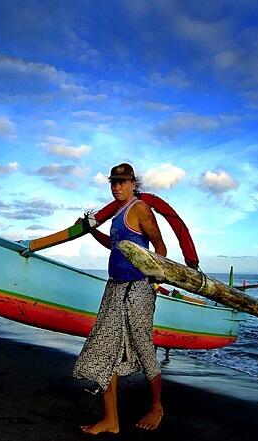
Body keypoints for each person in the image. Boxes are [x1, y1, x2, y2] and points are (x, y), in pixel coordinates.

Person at [73, 163, 167, 434]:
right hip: (114, 288)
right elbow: (114, 246)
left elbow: (159, 245)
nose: (117, 186)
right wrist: (91, 230)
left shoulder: (139, 209)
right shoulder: (118, 214)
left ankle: (157, 408)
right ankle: (111, 420)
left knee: (143, 346)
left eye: (123, 182)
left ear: (134, 184)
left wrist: (155, 280)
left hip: (138, 288)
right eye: (113, 182)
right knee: (106, 349)